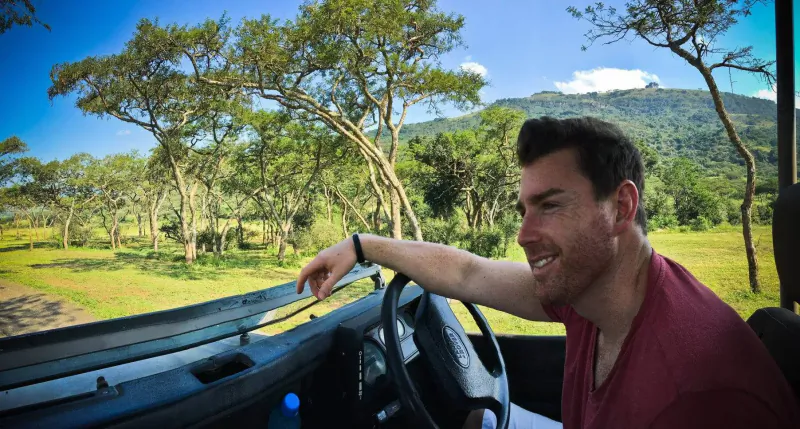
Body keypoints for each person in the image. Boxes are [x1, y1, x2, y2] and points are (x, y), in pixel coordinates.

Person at [297, 117, 800, 429]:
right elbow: (469, 273)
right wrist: (363, 245)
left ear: (621, 206)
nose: (523, 234)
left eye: (551, 205)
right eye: (523, 209)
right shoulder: (597, 293)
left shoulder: (693, 400)